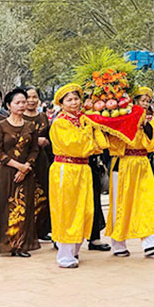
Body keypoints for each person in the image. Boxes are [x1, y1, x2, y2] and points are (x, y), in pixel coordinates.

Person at [105, 87, 154, 258]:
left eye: (147, 101)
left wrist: (146, 126)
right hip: (123, 163)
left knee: (146, 202)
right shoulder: (122, 117)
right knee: (120, 203)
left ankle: (151, 240)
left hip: (142, 164)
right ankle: (118, 243)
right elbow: (114, 140)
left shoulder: (150, 120)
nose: (145, 104)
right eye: (142, 100)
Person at [49, 84, 104, 268]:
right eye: (69, 100)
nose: (74, 103)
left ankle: (75, 251)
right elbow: (77, 145)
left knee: (85, 209)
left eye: (76, 98)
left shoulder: (84, 119)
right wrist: (90, 132)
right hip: (67, 168)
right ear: (61, 103)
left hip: (83, 169)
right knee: (68, 210)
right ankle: (64, 255)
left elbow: (100, 144)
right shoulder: (60, 122)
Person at [0, 88, 41, 257]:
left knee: (25, 207)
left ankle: (21, 245)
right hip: (7, 173)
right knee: (6, 207)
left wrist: (26, 167)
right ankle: (6, 243)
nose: (22, 105)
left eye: (24, 102)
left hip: (27, 173)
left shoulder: (30, 126)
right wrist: (18, 166)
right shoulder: (0, 127)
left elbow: (34, 149)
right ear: (9, 105)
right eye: (18, 102)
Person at [24, 86, 52, 242]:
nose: (31, 100)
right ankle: (28, 231)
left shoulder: (43, 117)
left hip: (42, 161)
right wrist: (36, 141)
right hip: (24, 161)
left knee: (43, 195)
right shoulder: (18, 117)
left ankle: (41, 229)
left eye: (34, 97)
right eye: (28, 97)